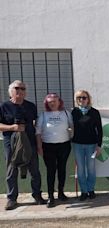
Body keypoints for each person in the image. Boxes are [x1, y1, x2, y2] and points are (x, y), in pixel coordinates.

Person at [0, 80, 46, 210]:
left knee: (35, 170)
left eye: (23, 88)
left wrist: (39, 144)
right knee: (11, 170)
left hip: (29, 142)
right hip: (12, 144)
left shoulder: (31, 106)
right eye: (17, 88)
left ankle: (37, 195)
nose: (20, 90)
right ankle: (11, 199)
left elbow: (36, 124)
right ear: (11, 91)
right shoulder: (4, 107)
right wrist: (12, 127)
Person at [36, 93, 73, 208]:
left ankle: (61, 193)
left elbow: (72, 126)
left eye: (54, 101)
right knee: (51, 171)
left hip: (64, 145)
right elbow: (38, 132)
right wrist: (39, 147)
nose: (52, 103)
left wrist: (71, 133)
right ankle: (51, 196)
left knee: (62, 169)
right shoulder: (43, 115)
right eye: (50, 102)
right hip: (48, 147)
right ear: (47, 103)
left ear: (59, 102)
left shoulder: (67, 113)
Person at [71, 90, 103, 201]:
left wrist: (99, 145)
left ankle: (91, 190)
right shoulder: (73, 112)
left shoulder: (94, 112)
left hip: (91, 145)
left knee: (91, 168)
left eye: (84, 97)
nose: (81, 100)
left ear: (88, 99)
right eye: (79, 97)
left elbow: (99, 130)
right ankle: (83, 191)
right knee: (80, 169)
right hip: (77, 144)